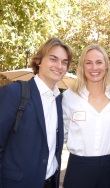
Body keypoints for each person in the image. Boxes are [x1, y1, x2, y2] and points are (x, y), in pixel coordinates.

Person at [0, 38, 72, 188]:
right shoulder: (14, 93)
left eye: (64, 62)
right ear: (39, 61)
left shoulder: (59, 100)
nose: (59, 66)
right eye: (53, 59)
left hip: (49, 182)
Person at [62, 44, 110, 188]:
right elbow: (64, 132)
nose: (94, 68)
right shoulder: (69, 97)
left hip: (108, 167)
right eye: (88, 63)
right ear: (82, 67)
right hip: (78, 167)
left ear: (106, 66)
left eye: (99, 62)